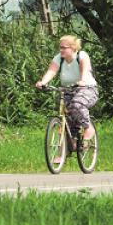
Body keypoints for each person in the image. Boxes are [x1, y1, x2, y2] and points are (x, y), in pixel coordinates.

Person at [35, 35, 98, 164]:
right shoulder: (59, 58)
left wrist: (83, 80)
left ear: (73, 47)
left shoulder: (82, 55)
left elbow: (85, 70)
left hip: (87, 88)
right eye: (60, 47)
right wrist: (43, 82)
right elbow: (52, 71)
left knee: (77, 105)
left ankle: (88, 128)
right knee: (65, 119)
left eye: (64, 47)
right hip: (67, 89)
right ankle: (65, 150)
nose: (61, 50)